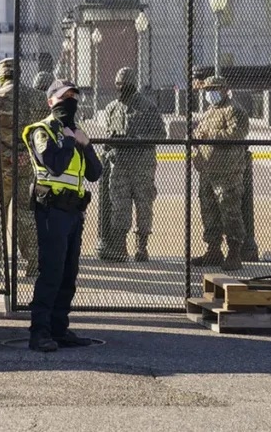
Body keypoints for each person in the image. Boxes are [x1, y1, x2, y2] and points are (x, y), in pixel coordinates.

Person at [22, 79, 103, 352]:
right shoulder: (42, 131)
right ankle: (39, 332)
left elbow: (95, 173)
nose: (70, 101)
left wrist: (86, 144)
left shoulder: (76, 133)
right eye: (63, 97)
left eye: (73, 96)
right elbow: (54, 165)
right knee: (52, 272)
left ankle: (59, 328)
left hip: (73, 214)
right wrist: (70, 140)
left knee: (69, 274)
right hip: (51, 212)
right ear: (50, 101)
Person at [0, 58, 46, 277]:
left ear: (1, 75)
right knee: (26, 213)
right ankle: (34, 263)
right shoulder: (37, 97)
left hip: (3, 164)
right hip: (29, 161)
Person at [101, 67, 166, 262]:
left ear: (133, 85)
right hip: (119, 165)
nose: (121, 89)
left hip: (141, 166)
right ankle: (120, 247)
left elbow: (160, 135)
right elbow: (108, 135)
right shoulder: (112, 107)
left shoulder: (147, 107)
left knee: (143, 205)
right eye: (118, 85)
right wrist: (111, 143)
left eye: (125, 85)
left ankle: (141, 247)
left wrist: (138, 139)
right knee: (119, 205)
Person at [191, 76, 250, 271]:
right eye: (207, 89)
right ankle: (213, 250)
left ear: (225, 89)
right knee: (209, 211)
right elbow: (200, 133)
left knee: (230, 211)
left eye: (214, 89)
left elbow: (236, 134)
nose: (210, 93)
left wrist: (210, 137)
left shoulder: (234, 110)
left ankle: (234, 253)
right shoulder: (210, 112)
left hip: (227, 172)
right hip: (207, 170)